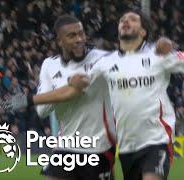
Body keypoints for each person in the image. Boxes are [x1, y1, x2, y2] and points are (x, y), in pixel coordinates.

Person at [2, 10, 184, 180]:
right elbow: (70, 91)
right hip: (125, 147)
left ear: (143, 30)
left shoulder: (159, 55)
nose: (126, 21)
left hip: (152, 141)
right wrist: (30, 99)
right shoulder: (104, 63)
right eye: (123, 19)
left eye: (133, 20)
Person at [15, 15, 116, 180]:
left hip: (99, 147)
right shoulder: (49, 65)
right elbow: (42, 111)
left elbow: (74, 91)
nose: (79, 39)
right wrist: (66, 85)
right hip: (66, 145)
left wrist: (24, 100)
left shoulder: (101, 59)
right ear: (59, 41)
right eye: (72, 35)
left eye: (81, 33)